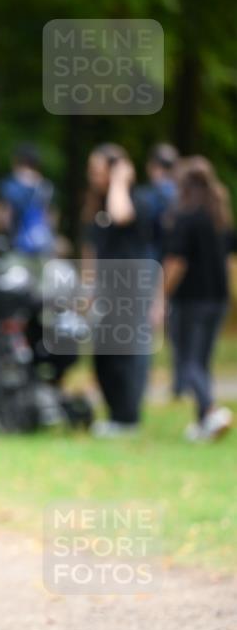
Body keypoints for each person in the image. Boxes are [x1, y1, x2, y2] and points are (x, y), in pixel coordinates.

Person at [81, 143, 155, 436]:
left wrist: (121, 180)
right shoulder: (96, 205)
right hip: (107, 287)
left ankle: (128, 418)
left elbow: (121, 214)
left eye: (98, 170)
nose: (92, 177)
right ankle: (114, 414)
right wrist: (88, 288)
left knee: (126, 352)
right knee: (103, 353)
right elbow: (91, 248)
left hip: (131, 285)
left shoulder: (136, 199)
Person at [163, 156, 235, 441]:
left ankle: (210, 411)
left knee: (187, 360)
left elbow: (176, 262)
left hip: (191, 299)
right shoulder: (220, 219)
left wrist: (161, 295)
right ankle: (204, 421)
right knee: (201, 361)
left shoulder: (186, 217)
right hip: (218, 299)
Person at [0, 143, 55, 256]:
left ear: (16, 161)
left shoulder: (8, 185)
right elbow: (51, 221)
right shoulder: (46, 186)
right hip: (42, 249)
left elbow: (0, 221)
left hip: (14, 248)